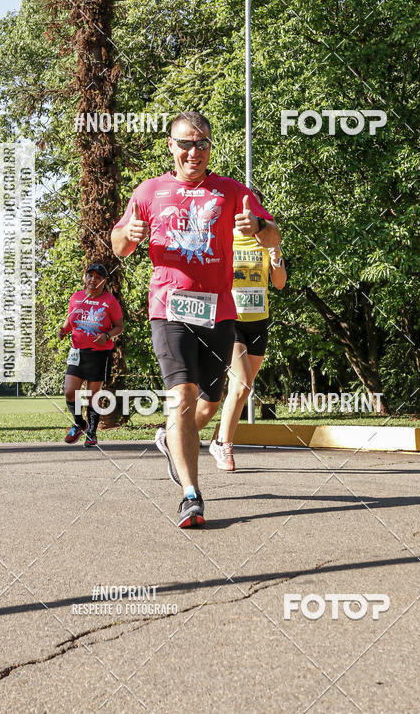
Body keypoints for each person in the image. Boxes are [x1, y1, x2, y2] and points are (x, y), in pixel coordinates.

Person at [111, 112, 281, 527]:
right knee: (182, 397)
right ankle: (191, 495)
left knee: (210, 403)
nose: (194, 151)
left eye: (202, 143)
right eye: (186, 143)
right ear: (170, 145)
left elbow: (275, 236)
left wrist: (259, 225)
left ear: (210, 147)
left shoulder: (231, 191)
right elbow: (118, 247)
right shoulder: (150, 192)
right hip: (168, 309)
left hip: (219, 312)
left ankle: (172, 438)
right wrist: (128, 236)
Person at [209, 191, 286, 471]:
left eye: (258, 215)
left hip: (258, 321)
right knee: (241, 383)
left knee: (240, 389)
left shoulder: (268, 240)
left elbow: (279, 283)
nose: (251, 218)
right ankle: (223, 446)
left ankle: (218, 437)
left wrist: (276, 259)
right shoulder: (223, 239)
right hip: (231, 321)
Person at [57, 263, 123, 447]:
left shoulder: (110, 301)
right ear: (84, 278)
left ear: (104, 281)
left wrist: (107, 335)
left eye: (97, 276)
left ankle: (92, 433)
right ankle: (80, 424)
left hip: (99, 354)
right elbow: (71, 318)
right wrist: (64, 330)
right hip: (77, 352)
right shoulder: (76, 297)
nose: (93, 279)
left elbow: (119, 326)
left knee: (92, 395)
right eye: (90, 275)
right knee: (70, 392)